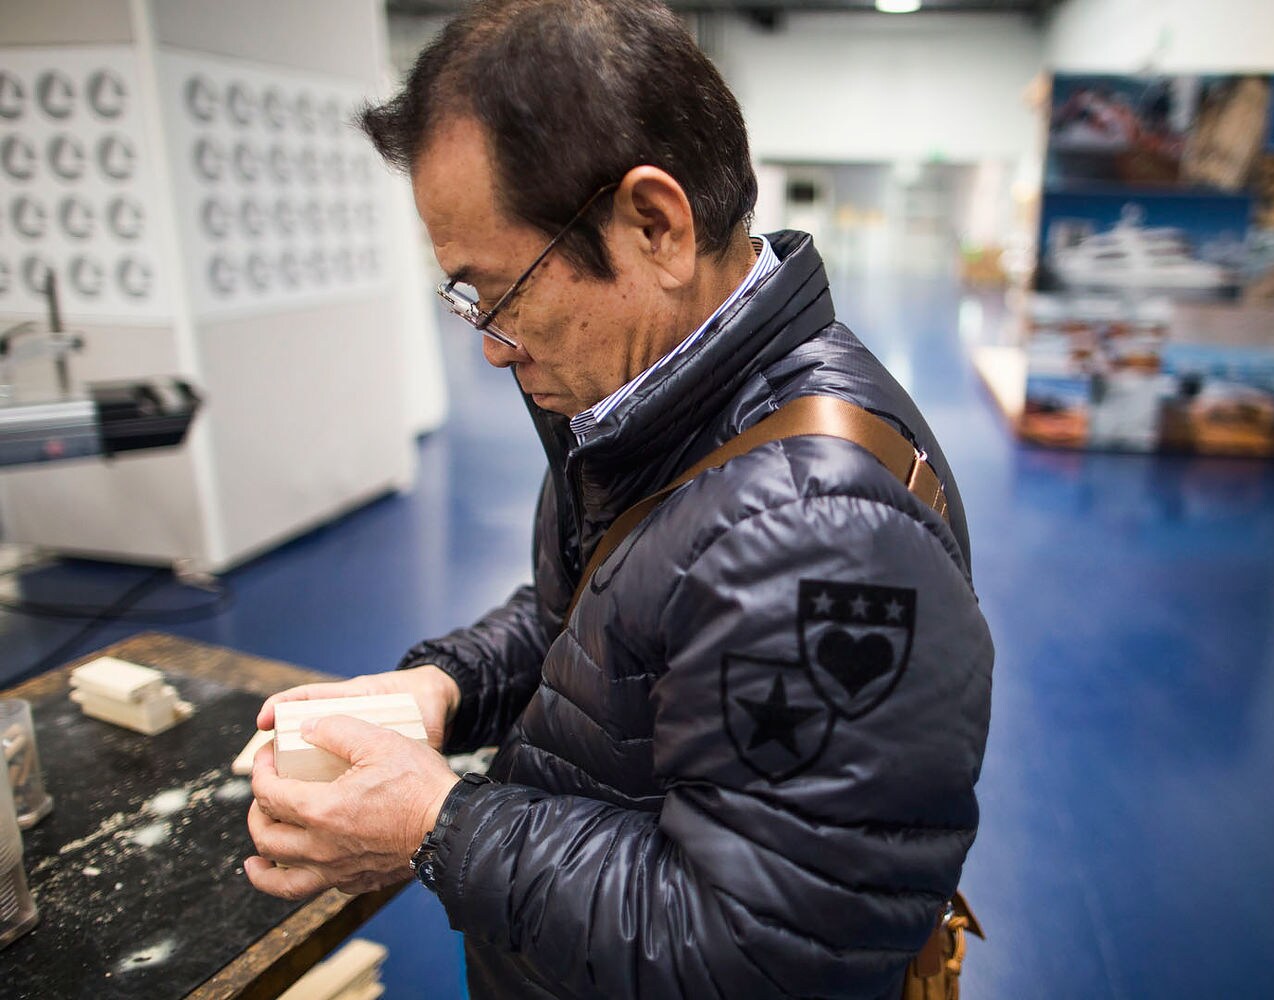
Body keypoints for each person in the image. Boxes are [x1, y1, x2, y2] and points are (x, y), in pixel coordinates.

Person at [244, 1, 993, 996]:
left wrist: (440, 824)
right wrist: (449, 689)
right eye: (465, 301)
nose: (491, 345)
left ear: (655, 225)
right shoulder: (660, 411)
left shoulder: (823, 533)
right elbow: (604, 621)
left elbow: (771, 950)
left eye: (498, 292)